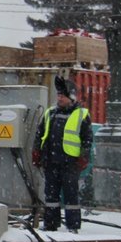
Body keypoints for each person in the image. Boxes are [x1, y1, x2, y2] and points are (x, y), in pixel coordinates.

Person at [32, 75, 92, 232]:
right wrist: (37, 151)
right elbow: (40, 134)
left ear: (71, 97)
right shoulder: (50, 113)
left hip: (70, 163)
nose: (59, 98)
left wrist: (84, 156)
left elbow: (87, 139)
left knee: (71, 195)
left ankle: (73, 226)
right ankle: (51, 223)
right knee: (51, 195)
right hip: (51, 161)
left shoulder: (81, 115)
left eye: (62, 96)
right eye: (58, 95)